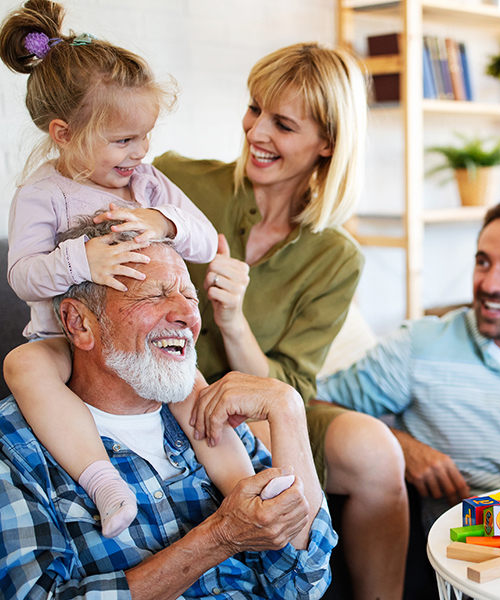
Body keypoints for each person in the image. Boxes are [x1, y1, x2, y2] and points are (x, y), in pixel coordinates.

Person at [152, 42, 407, 600]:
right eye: (254, 109)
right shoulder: (175, 181)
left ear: (327, 143)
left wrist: (233, 320)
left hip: (266, 405)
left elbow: (289, 386)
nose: (256, 132)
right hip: (178, 393)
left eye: (283, 125)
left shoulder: (336, 257)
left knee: (377, 450)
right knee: (264, 451)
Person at [0, 0, 256, 540]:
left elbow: (207, 241)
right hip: (63, 341)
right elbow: (22, 276)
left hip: (139, 343)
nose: (140, 152)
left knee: (191, 390)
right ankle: (103, 483)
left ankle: (248, 488)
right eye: (122, 140)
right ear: (63, 133)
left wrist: (162, 221)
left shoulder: (147, 184)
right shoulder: (42, 195)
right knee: (23, 367)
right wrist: (81, 260)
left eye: (145, 136)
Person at [0, 218, 336, 599]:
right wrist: (221, 536)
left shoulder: (209, 411)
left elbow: (304, 583)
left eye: (190, 298)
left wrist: (287, 408)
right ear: (79, 323)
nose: (188, 316)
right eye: (154, 295)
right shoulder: (16, 447)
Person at [315, 193, 500, 527]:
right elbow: (316, 404)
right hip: (465, 549)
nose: (489, 283)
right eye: (483, 262)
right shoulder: (418, 346)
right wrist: (398, 446)